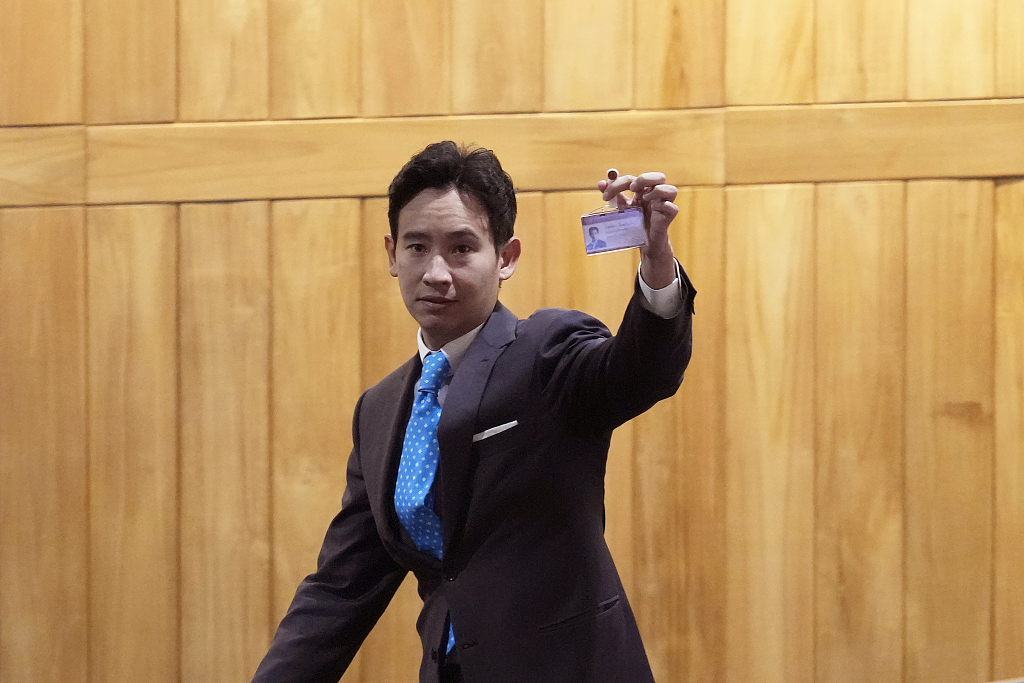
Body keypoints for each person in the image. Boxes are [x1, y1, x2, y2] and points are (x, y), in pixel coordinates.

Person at [251, 141, 696, 683]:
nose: (436, 272)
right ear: (392, 255)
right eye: (417, 248)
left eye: (462, 249)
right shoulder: (379, 408)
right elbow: (341, 589)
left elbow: (641, 370)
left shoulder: (547, 352)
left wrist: (656, 262)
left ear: (505, 258)